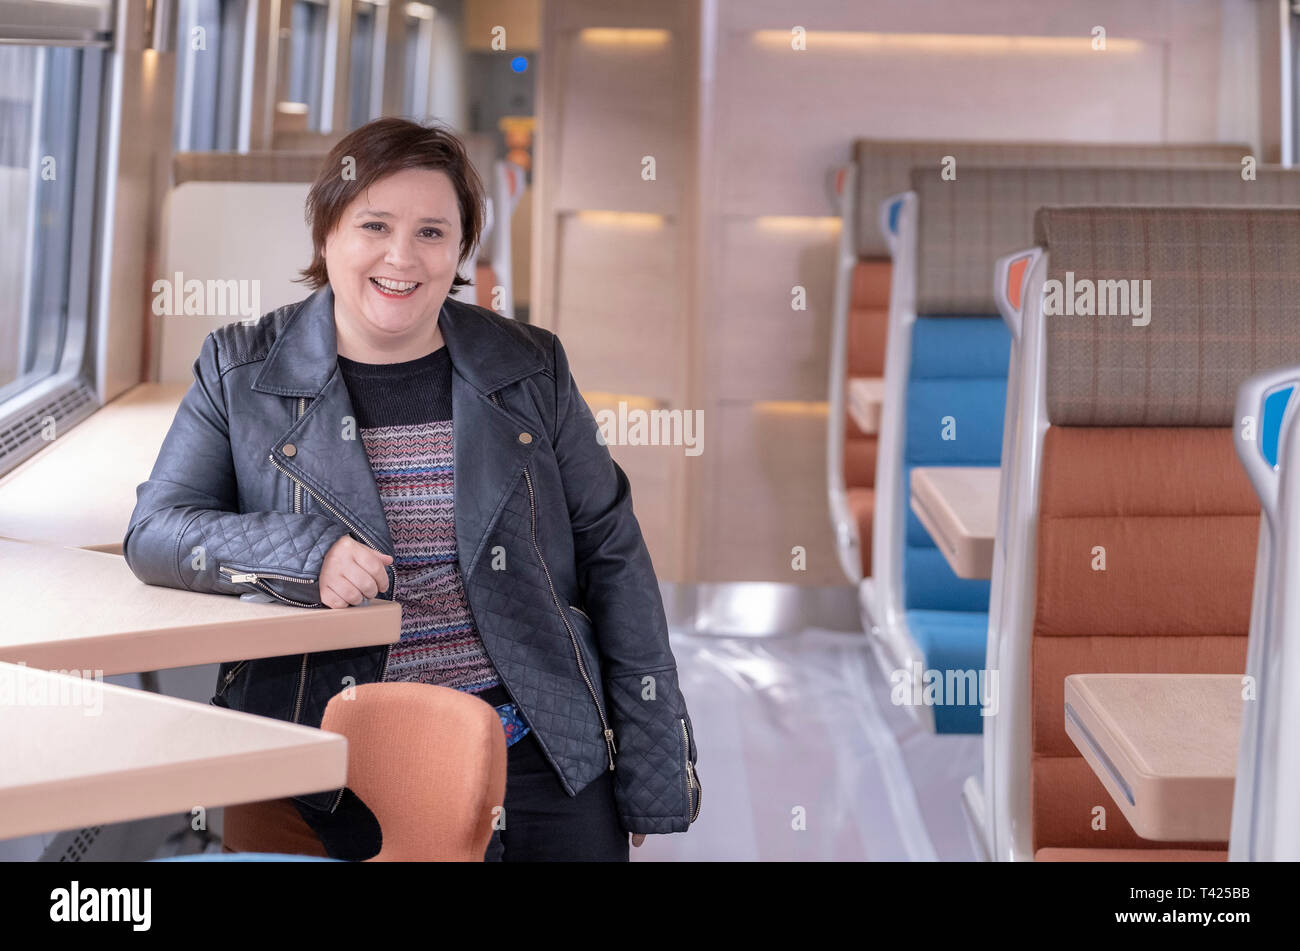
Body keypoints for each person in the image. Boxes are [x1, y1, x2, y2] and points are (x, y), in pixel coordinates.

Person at [123, 117, 701, 861]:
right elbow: (158, 530)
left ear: (460, 251)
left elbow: (614, 555)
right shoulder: (239, 370)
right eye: (374, 224)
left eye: (432, 232)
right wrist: (309, 554)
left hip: (537, 749)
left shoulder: (530, 365)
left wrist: (653, 767)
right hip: (333, 765)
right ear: (326, 231)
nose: (402, 256)